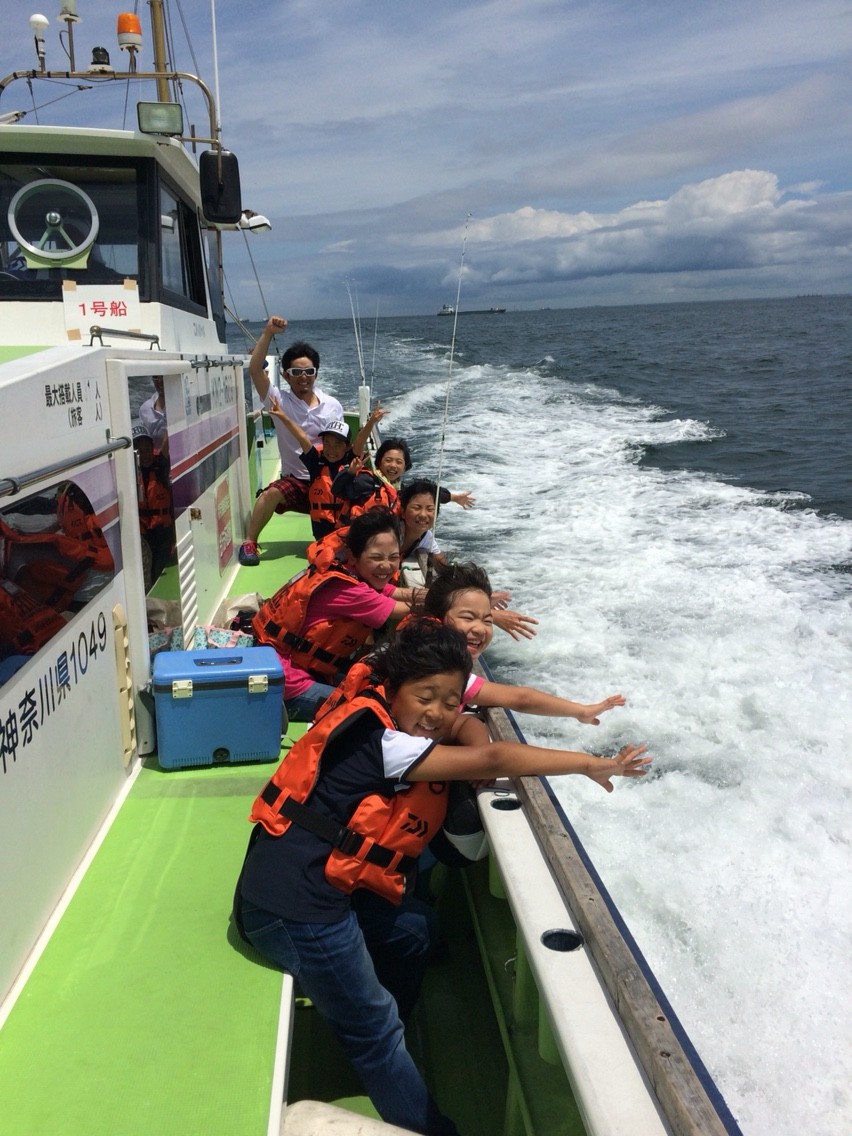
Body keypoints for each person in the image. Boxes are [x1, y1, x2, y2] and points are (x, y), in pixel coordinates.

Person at [235, 618, 650, 1135]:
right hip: (293, 909)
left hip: (315, 885)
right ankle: (412, 1096)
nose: (435, 713)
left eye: (449, 701)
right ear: (394, 688)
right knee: (375, 1028)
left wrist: (466, 722)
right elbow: (492, 756)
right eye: (425, 697)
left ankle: (379, 1035)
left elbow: (467, 730)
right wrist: (590, 764)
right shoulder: (384, 744)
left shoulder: (381, 714)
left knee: (416, 931)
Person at [251, 508, 427, 721]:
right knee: (372, 709)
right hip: (287, 683)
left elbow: (397, 592)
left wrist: (438, 593)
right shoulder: (348, 589)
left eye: (393, 558)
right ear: (353, 556)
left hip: (294, 665)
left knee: (371, 682)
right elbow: (400, 609)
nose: (386, 566)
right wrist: (447, 602)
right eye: (376, 557)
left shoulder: (348, 572)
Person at [425, 562, 625, 720]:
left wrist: (582, 711)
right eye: (468, 617)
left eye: (488, 620)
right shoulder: (439, 672)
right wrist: (581, 712)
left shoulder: (431, 653)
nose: (479, 629)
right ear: (435, 619)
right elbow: (522, 699)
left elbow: (522, 698)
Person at [239, 316, 344, 566]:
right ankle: (250, 542)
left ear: (316, 373)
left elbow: (341, 446)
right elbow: (255, 370)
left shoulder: (332, 405)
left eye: (309, 371)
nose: (303, 376)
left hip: (327, 482)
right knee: (271, 494)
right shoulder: (278, 400)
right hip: (296, 483)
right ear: (286, 375)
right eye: (296, 372)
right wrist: (268, 333)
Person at [399, 479, 537, 641]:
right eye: (417, 508)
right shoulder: (389, 536)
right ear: (403, 511)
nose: (423, 515)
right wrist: (488, 615)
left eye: (430, 509)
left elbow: (446, 570)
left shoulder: (426, 537)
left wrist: (478, 594)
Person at [266, 402, 386, 539]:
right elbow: (302, 437)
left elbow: (360, 440)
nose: (331, 450)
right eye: (327, 443)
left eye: (337, 445)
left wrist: (372, 422)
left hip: (346, 530)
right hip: (321, 531)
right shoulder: (315, 463)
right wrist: (283, 416)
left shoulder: (350, 461)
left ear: (347, 446)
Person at [132, 422, 174, 587]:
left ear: (151, 446)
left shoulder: (161, 465)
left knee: (159, 570)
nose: (145, 453)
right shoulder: (130, 473)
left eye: (147, 447)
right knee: (146, 573)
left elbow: (166, 443)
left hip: (163, 531)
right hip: (144, 534)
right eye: (139, 449)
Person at [138, 376, 168, 459]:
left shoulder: (180, 405)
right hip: (155, 460)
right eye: (155, 377)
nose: (159, 382)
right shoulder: (145, 409)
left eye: (162, 377)